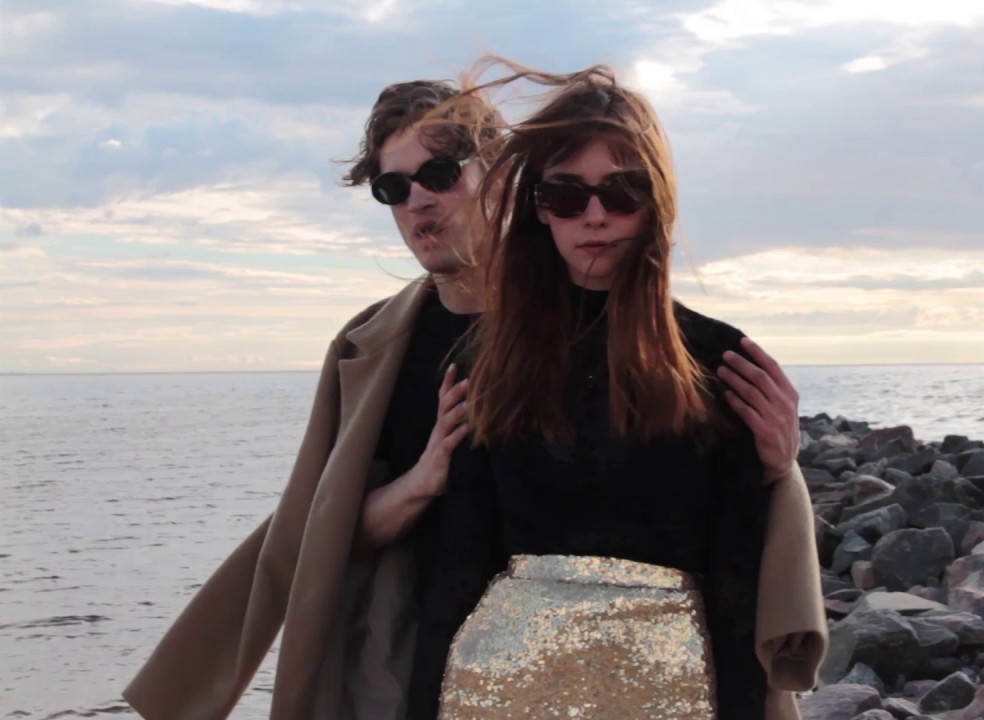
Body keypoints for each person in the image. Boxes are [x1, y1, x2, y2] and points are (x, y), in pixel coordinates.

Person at [121, 75, 819, 720]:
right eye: (393, 187)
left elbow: (689, 495)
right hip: (412, 649)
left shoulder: (617, 327)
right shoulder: (374, 348)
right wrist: (419, 485)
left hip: (624, 670)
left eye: (439, 174)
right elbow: (314, 533)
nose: (418, 200)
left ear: (500, 179)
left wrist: (780, 472)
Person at [433, 60, 827, 719]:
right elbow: (457, 566)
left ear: (655, 203)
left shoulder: (719, 361)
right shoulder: (485, 359)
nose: (594, 216)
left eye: (622, 191)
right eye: (567, 194)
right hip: (493, 691)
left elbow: (735, 582)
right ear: (539, 208)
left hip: (672, 694)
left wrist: (780, 471)